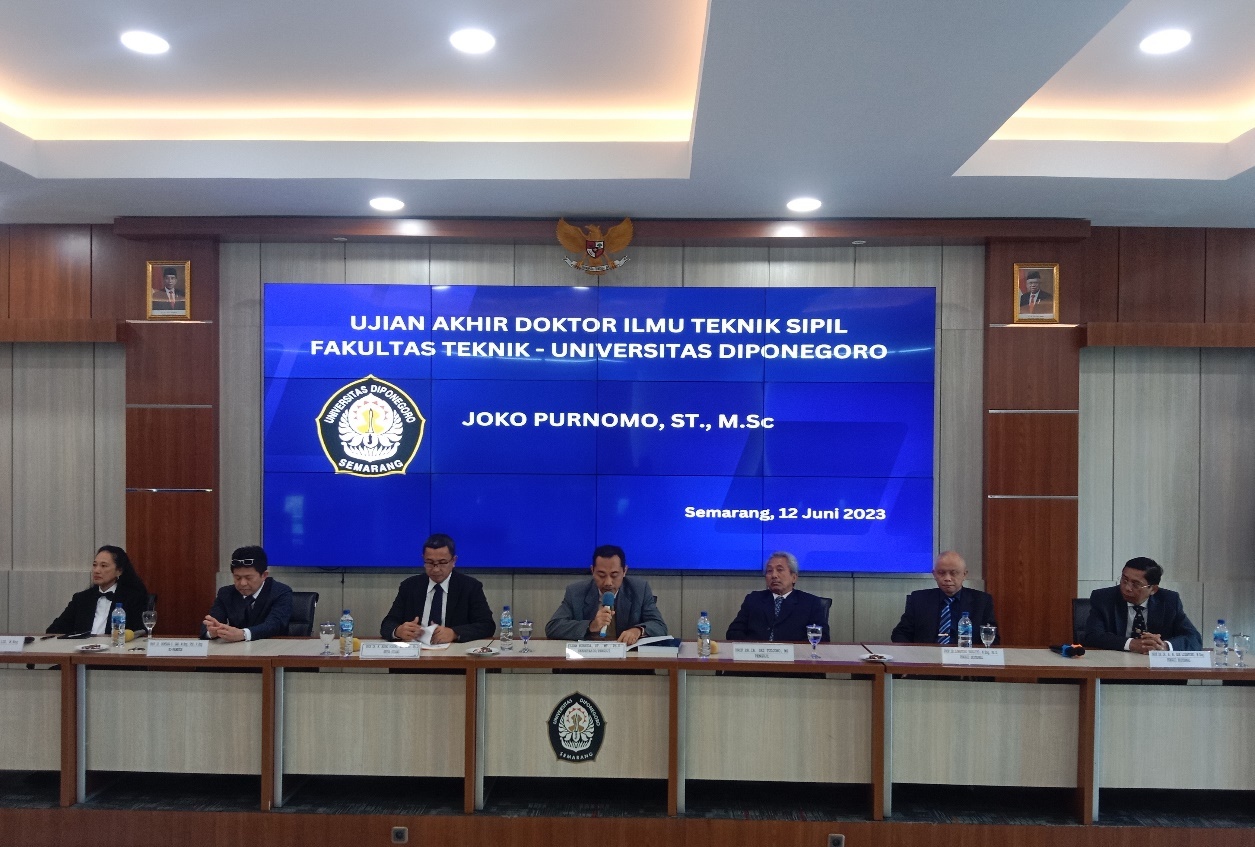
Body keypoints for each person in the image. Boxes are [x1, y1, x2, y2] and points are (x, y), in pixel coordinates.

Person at [381, 533, 494, 644]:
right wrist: (398, 631)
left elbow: (487, 625)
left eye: (442, 562)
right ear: (423, 559)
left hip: (453, 651)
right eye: (430, 563)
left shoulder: (470, 587)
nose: (435, 569)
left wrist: (454, 633)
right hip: (416, 649)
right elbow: (387, 623)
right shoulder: (409, 586)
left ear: (454, 561)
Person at [545, 544, 668, 645]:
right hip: (588, 660)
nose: (608, 582)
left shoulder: (640, 589)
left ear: (624, 571)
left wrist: (638, 631)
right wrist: (591, 626)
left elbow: (660, 626)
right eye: (601, 575)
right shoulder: (576, 592)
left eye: (614, 575)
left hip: (627, 660)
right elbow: (553, 627)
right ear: (592, 571)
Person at [1082, 556, 1201, 653]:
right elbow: (1092, 636)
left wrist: (1164, 646)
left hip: (1156, 668)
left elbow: (1194, 638)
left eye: (1136, 584)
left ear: (1153, 589)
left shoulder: (1169, 600)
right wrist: (1132, 644)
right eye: (1124, 580)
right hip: (1116, 664)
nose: (1127, 588)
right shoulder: (1103, 598)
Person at [891, 551, 998, 644]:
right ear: (934, 574)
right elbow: (900, 633)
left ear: (964, 574)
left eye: (953, 573)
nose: (947, 578)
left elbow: (992, 637)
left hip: (965, 657)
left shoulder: (981, 601)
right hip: (927, 657)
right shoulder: (919, 599)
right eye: (941, 573)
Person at [725, 551, 830, 642]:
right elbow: (733, 632)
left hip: (793, 657)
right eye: (769, 571)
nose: (774, 575)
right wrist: (754, 648)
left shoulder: (810, 603)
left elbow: (822, 637)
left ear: (794, 577)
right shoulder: (753, 599)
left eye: (779, 570)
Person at [47, 545, 150, 635]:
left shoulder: (133, 598)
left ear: (119, 571)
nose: (96, 570)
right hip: (83, 650)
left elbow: (139, 633)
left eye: (103, 566)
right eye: (94, 565)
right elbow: (54, 630)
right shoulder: (81, 598)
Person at [201, 546, 293, 642]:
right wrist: (212, 631)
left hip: (272, 646)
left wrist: (243, 634)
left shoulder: (280, 592)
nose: (242, 583)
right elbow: (210, 624)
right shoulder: (226, 593)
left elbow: (275, 625)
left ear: (264, 575)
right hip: (236, 648)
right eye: (237, 578)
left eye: (248, 578)